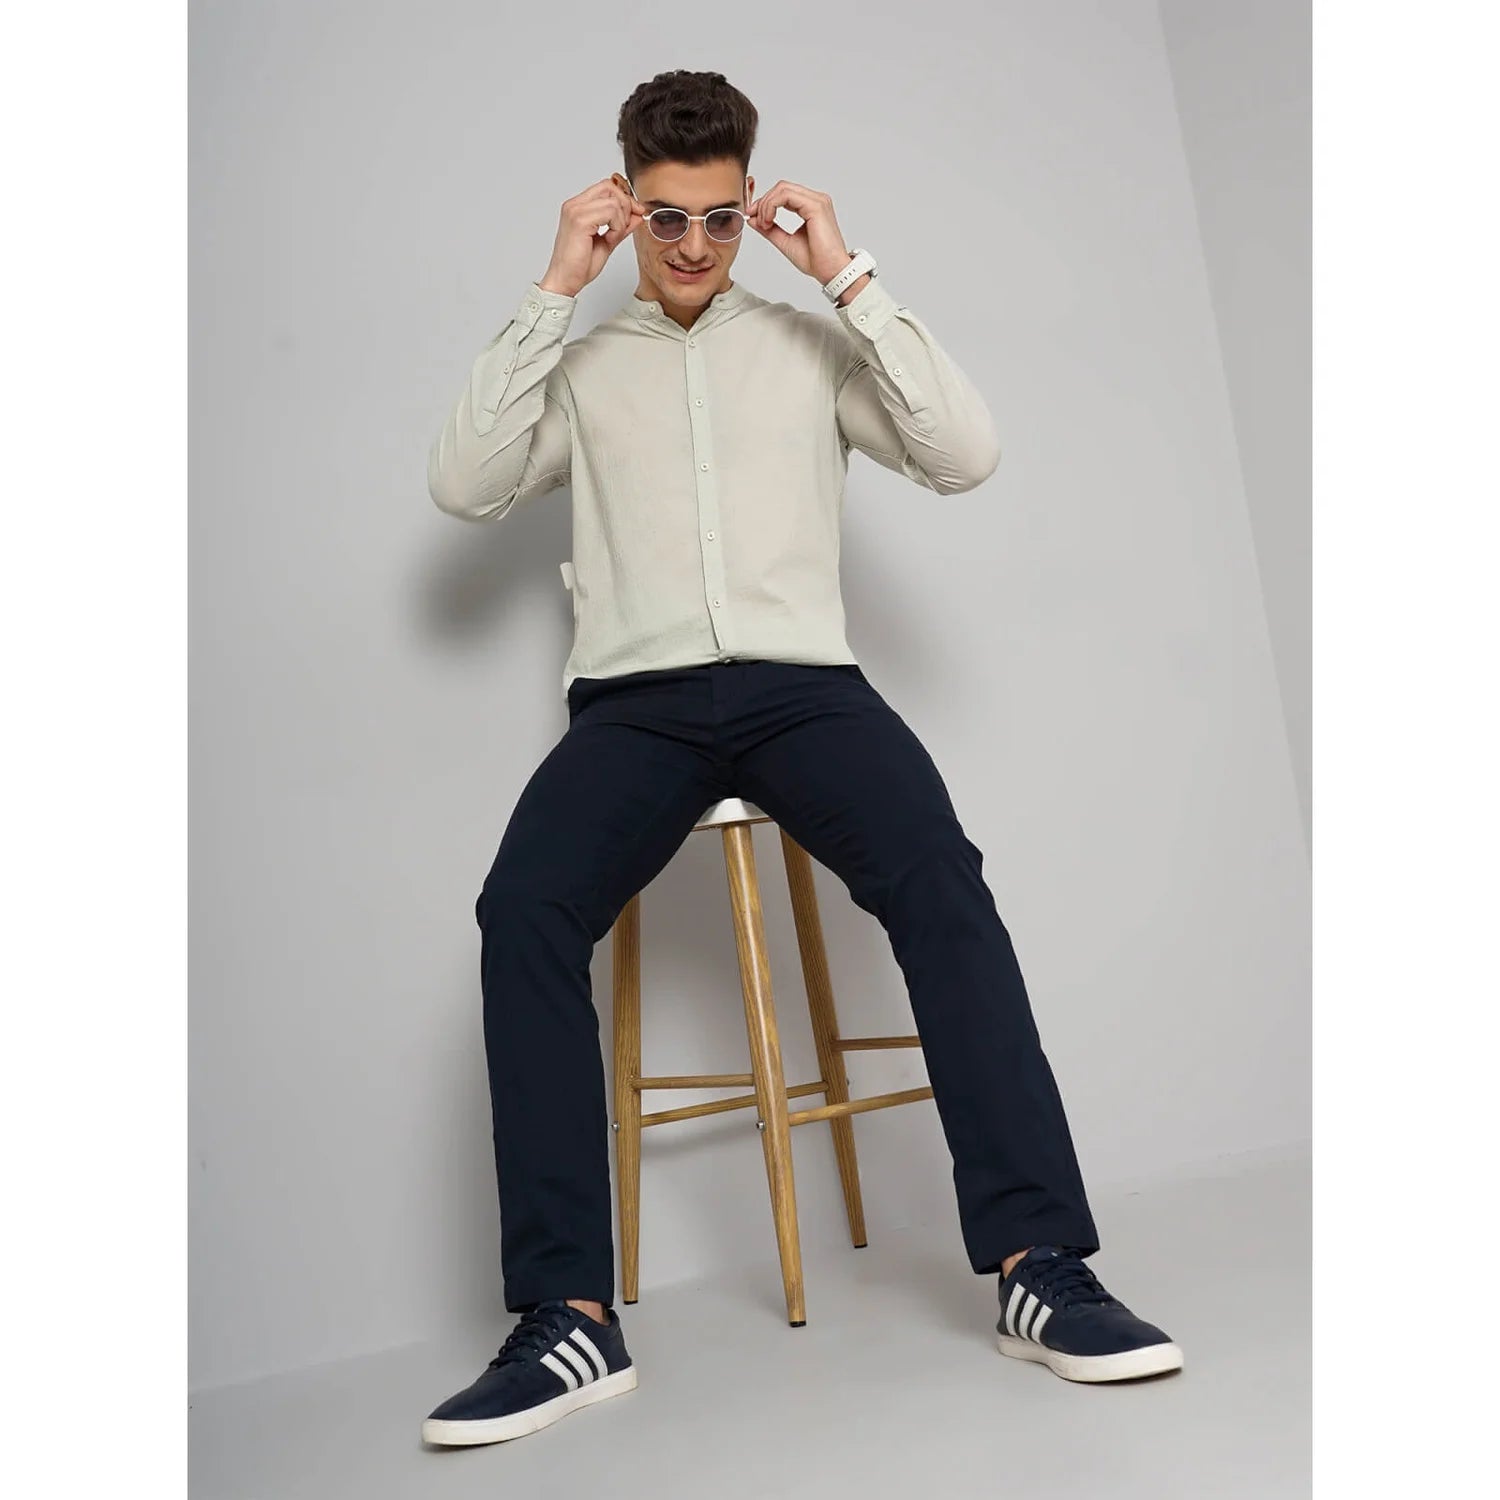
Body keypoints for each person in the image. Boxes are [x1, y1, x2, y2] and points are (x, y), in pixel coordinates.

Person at [420, 69, 1183, 1450]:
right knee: (520, 909)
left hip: (805, 693)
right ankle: (569, 1317)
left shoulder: (806, 343)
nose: (695, 246)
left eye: (720, 219)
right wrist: (552, 288)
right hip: (635, 704)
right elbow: (465, 486)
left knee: (942, 882)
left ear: (748, 206)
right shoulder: (583, 369)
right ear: (627, 207)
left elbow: (964, 454)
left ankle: (1040, 1268)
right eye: (667, 219)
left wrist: (847, 275)